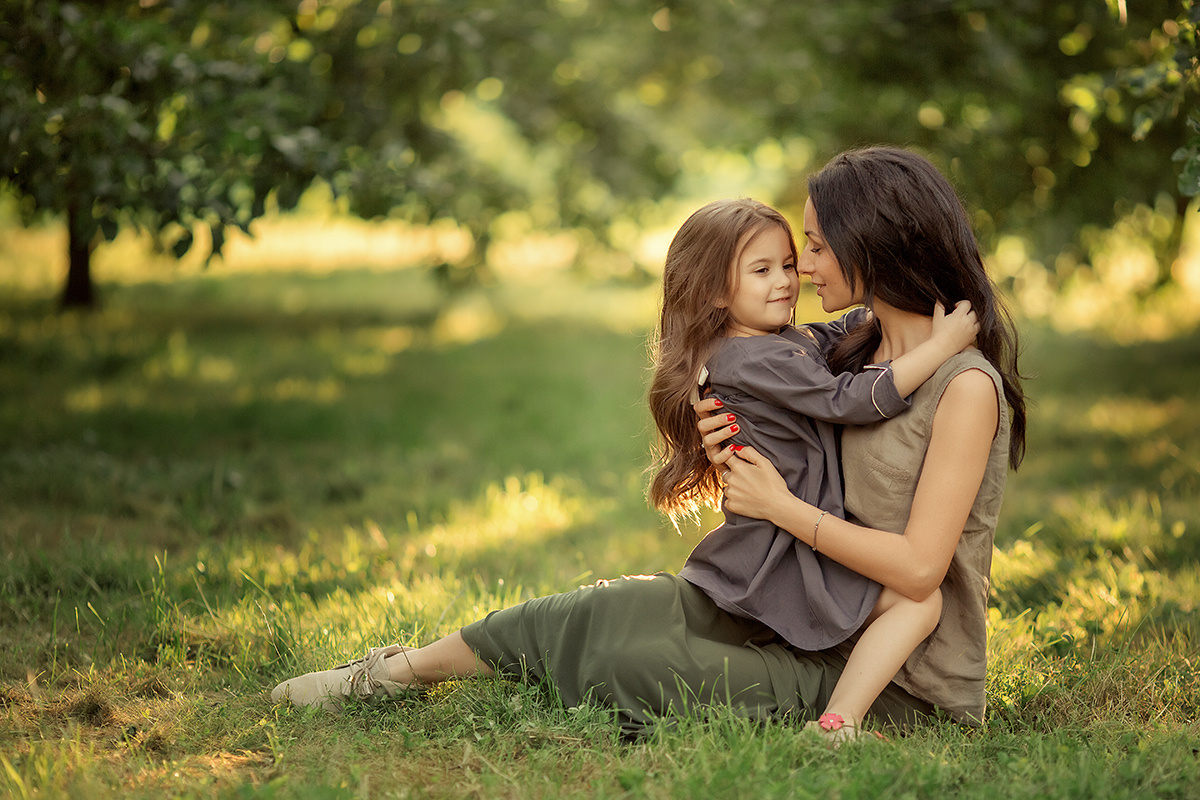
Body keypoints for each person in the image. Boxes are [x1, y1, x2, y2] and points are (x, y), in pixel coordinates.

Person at [271, 146, 1025, 742]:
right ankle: (396, 673)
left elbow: (922, 570)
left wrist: (782, 506)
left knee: (633, 661)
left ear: (879, 245)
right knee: (606, 609)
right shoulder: (853, 353)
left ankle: (826, 724)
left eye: (817, 249)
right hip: (805, 618)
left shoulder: (961, 387)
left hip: (895, 678)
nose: (805, 269)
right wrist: (723, 439)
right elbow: (777, 401)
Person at [646, 197, 978, 741]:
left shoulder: (771, 344)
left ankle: (834, 719)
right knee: (920, 602)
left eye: (788, 262)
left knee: (914, 603)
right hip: (782, 547)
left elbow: (827, 337)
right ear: (713, 291)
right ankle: (838, 721)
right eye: (761, 270)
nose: (788, 279)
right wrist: (941, 346)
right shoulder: (754, 359)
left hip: (786, 534)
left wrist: (887, 305)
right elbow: (848, 399)